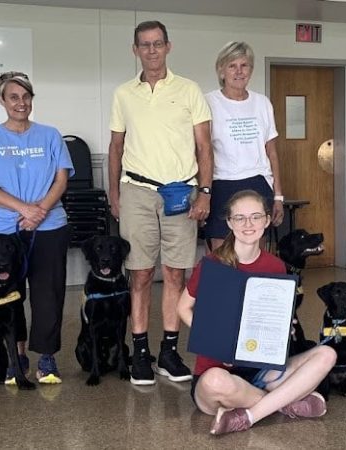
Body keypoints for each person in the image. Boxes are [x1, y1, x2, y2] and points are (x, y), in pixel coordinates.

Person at [177, 190, 336, 436]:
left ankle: (249, 415)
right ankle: (284, 403)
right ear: (229, 222)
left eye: (255, 217)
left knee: (326, 354)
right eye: (239, 218)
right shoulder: (212, 263)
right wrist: (217, 344)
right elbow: (182, 307)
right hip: (220, 375)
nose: (248, 224)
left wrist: (284, 327)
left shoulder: (276, 266)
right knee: (215, 381)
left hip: (261, 370)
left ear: (266, 220)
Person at [108, 20, 213, 386]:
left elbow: (204, 147)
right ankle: (140, 352)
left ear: (168, 46)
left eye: (157, 44)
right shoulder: (123, 93)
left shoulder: (189, 90)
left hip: (180, 193)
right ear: (135, 50)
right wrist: (114, 194)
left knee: (174, 273)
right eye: (144, 45)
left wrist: (205, 191)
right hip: (136, 190)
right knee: (138, 273)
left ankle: (169, 352)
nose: (151, 51)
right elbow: (116, 147)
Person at [0, 71, 74, 384]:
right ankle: (17, 355)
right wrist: (24, 209)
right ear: (2, 100)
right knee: (8, 295)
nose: (21, 103)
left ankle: (47, 357)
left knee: (48, 293)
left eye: (26, 97)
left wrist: (38, 212)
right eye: (13, 97)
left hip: (48, 224)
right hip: (0, 229)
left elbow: (61, 179)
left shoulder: (50, 135)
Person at [204, 42, 284, 251]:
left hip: (258, 183)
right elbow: (201, 150)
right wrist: (201, 194)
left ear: (251, 70)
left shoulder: (262, 103)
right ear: (221, 70)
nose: (239, 71)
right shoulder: (207, 102)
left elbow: (272, 152)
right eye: (232, 66)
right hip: (222, 184)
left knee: (254, 253)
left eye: (244, 65)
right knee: (222, 255)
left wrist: (278, 196)